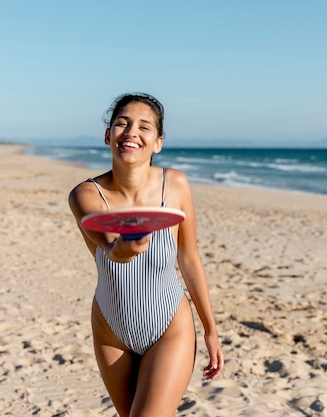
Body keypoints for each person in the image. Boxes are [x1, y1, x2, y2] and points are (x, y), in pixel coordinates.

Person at [68, 93, 224, 416]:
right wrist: (128, 244)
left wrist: (210, 329)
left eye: (144, 126)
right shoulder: (85, 194)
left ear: (158, 142)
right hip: (111, 332)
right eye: (121, 124)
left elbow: (189, 258)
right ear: (108, 135)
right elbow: (112, 246)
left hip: (169, 327)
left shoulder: (176, 185)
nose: (131, 132)